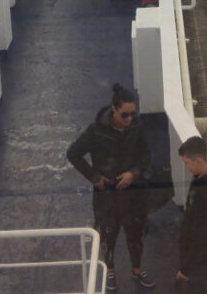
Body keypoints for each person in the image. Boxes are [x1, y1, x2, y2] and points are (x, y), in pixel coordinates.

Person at [67, 84, 155, 291]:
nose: (129, 119)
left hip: (133, 194)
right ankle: (110, 271)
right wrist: (94, 176)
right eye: (125, 115)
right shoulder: (96, 131)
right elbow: (73, 153)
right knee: (108, 234)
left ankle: (137, 270)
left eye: (133, 114)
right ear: (113, 109)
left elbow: (146, 155)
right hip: (106, 195)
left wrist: (133, 173)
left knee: (136, 233)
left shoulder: (136, 127)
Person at [175, 137, 207, 294]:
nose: (186, 166)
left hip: (198, 259)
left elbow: (203, 237)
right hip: (193, 253)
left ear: (197, 160)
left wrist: (186, 268)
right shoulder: (200, 177)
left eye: (187, 163)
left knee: (197, 287)